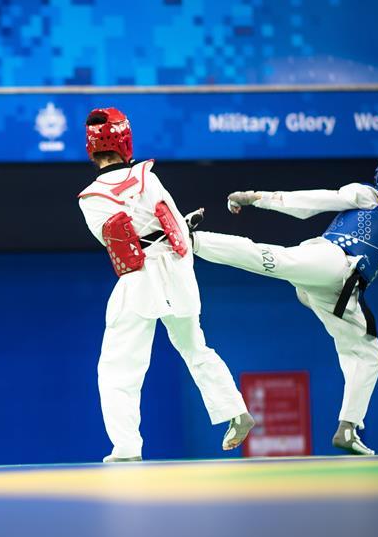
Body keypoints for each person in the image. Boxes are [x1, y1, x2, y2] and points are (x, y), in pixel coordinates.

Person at [186, 144, 378, 455]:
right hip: (329, 258)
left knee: (368, 354)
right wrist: (256, 198)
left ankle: (347, 429)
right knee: (272, 260)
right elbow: (314, 200)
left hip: (342, 295)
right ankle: (193, 240)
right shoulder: (368, 197)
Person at [77, 107, 255, 462]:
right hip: (177, 272)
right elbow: (176, 231)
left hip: (139, 280)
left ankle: (127, 446)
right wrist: (179, 264)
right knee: (194, 347)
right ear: (125, 140)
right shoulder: (150, 177)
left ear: (91, 148)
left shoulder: (91, 199)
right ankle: (235, 409)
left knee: (119, 366)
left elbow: (120, 246)